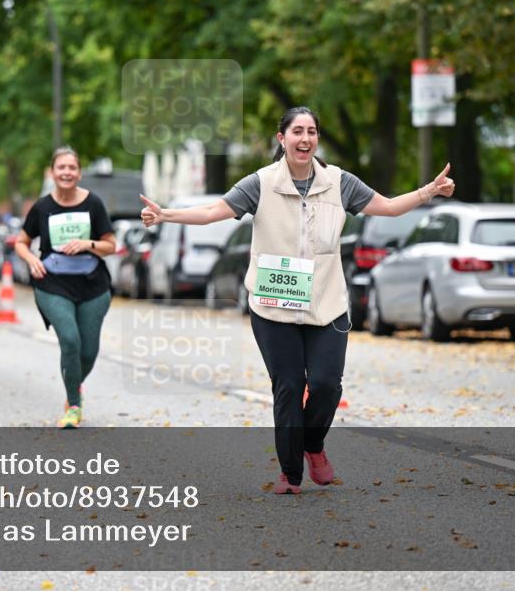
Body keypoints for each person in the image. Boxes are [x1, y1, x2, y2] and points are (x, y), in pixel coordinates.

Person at [140, 107, 455, 494]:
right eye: (297, 132)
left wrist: (430, 191)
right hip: (273, 307)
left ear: (316, 139)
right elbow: (212, 211)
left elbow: (387, 207)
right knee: (288, 386)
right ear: (281, 138)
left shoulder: (339, 182)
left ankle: (313, 445)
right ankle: (290, 474)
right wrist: (165, 215)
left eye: (311, 132)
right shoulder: (261, 183)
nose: (304, 139)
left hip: (326, 303)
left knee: (326, 385)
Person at [15, 147, 116, 429]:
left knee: (88, 351)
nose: (67, 172)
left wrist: (88, 244)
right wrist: (31, 259)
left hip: (92, 285)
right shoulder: (42, 207)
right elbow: (20, 241)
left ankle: (74, 385)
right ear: (53, 172)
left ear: (79, 173)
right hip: (52, 283)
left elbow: (112, 245)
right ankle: (74, 405)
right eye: (61, 167)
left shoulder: (93, 204)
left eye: (72, 168)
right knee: (70, 340)